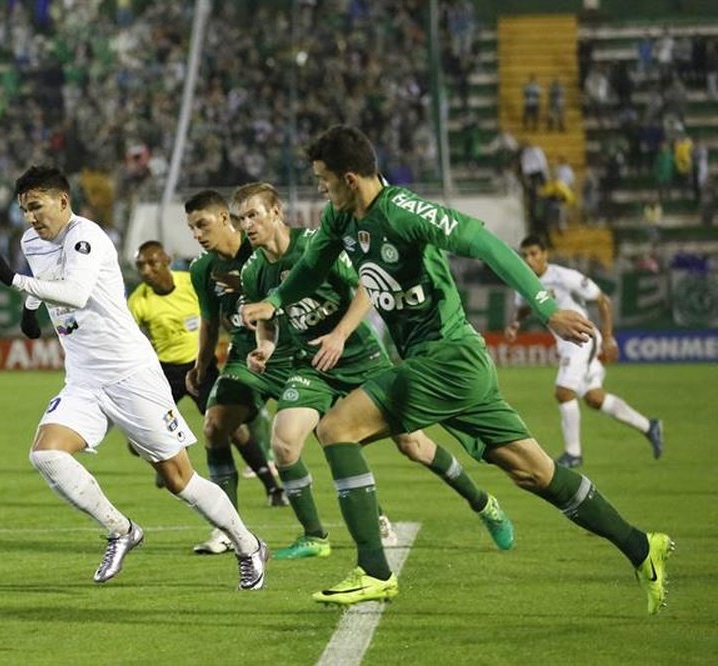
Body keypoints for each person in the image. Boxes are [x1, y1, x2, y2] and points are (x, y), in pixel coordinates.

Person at [241, 126, 673, 614]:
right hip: (447, 364)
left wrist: (545, 305)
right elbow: (311, 269)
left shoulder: (403, 211)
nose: (320, 188)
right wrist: (273, 300)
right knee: (534, 473)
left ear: (349, 178)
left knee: (337, 428)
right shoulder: (340, 220)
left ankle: (374, 571)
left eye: (323, 180)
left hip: (446, 356)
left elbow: (485, 244)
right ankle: (642, 547)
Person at [0, 165, 268, 589]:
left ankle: (247, 544)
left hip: (130, 372)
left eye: (36, 207)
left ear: (63, 201)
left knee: (178, 480)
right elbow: (44, 283)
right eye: (24, 210)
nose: (31, 218)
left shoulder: (87, 237)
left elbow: (75, 292)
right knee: (46, 454)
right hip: (83, 377)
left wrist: (13, 280)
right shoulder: (31, 241)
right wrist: (28, 310)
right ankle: (121, 530)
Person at [234, 182, 514, 559]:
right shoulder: (253, 271)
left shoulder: (316, 244)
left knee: (413, 444)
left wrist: (339, 334)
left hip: (359, 356)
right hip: (313, 365)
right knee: (284, 443)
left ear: (277, 212)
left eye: (253, 215)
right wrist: (264, 348)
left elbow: (369, 283)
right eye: (242, 218)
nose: (247, 224)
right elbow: (267, 320)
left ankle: (482, 503)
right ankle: (315, 536)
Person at [183, 189, 298, 555]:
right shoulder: (202, 268)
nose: (198, 234)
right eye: (191, 228)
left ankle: (373, 514)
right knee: (215, 426)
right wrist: (201, 365)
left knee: (333, 433)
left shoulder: (260, 248)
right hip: (244, 358)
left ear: (224, 218)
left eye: (202, 224)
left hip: (293, 354)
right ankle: (226, 529)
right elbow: (209, 321)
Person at [127, 239, 286, 502]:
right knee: (137, 436)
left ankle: (273, 487)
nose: (146, 270)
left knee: (230, 427)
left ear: (166, 260)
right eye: (140, 265)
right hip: (163, 371)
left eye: (151, 262)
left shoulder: (190, 283)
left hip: (199, 366)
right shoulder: (138, 301)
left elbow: (214, 315)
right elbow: (131, 340)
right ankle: (170, 453)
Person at [505, 235, 663, 467]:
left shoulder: (564, 277)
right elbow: (524, 307)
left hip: (581, 340)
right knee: (593, 398)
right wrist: (515, 324)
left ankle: (573, 453)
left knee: (563, 392)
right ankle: (649, 427)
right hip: (566, 344)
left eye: (534, 254)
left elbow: (602, 300)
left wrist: (608, 338)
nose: (529, 259)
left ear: (545, 254)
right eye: (525, 255)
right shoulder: (525, 281)